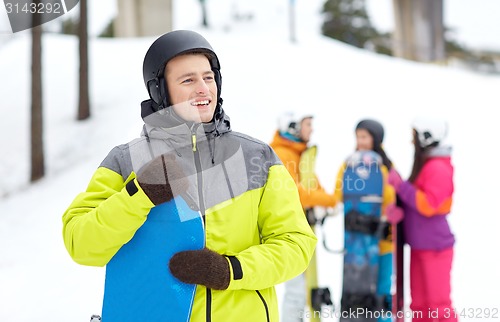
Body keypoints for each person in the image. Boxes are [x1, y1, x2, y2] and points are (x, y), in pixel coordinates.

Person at [62, 30, 317, 322]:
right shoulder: (125, 161)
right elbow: (81, 245)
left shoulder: (256, 158)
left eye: (208, 78)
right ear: (160, 91)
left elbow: (297, 244)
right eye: (188, 80)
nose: (203, 89)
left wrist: (230, 270)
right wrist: (138, 196)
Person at [388, 117, 457, 322]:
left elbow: (429, 204)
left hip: (435, 247)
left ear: (426, 138)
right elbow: (416, 202)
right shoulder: (427, 164)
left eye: (414, 137)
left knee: (438, 305)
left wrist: (401, 186)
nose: (412, 142)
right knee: (419, 305)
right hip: (420, 246)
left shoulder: (437, 168)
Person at [270, 112, 336, 322]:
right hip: (286, 230)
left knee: (304, 287)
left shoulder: (300, 155)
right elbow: (295, 192)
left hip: (300, 228)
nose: (312, 129)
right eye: (308, 124)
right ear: (293, 127)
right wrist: (329, 201)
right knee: (296, 289)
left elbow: (312, 185)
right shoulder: (282, 154)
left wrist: (323, 201)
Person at [333, 119, 398, 318]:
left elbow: (393, 197)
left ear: (375, 139)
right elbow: (338, 194)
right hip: (358, 243)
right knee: (358, 290)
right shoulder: (349, 164)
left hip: (384, 241)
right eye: (357, 137)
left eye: (364, 137)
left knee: (382, 289)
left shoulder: (386, 167)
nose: (360, 141)